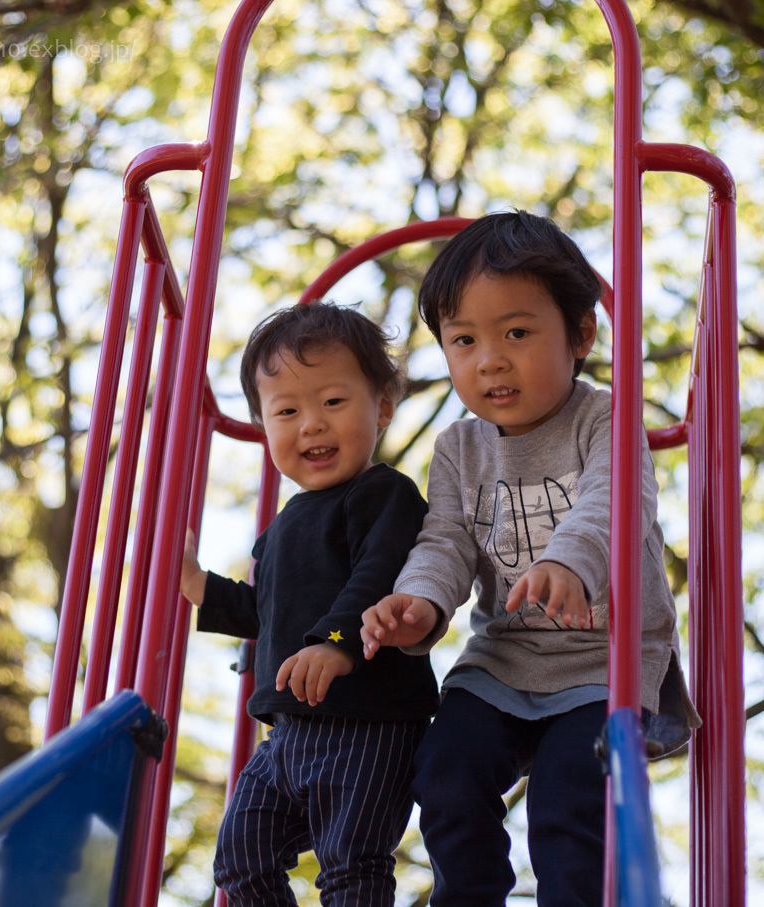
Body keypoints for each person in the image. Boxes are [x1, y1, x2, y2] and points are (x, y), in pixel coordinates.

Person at [360, 210, 699, 907]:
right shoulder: (458, 447)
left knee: (572, 799)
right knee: (445, 770)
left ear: (580, 333)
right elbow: (446, 541)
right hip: (504, 660)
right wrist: (420, 602)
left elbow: (614, 501)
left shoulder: (604, 417)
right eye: (464, 339)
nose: (490, 358)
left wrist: (571, 562)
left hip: (604, 662)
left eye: (516, 331)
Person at [180, 302, 439, 906]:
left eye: (332, 402)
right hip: (289, 732)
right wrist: (198, 584)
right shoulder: (279, 528)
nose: (311, 425)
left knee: (351, 865)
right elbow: (265, 614)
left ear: (381, 406)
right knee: (240, 859)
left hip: (368, 723)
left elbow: (380, 575)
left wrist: (337, 643)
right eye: (288, 411)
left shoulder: (384, 494)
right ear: (265, 426)